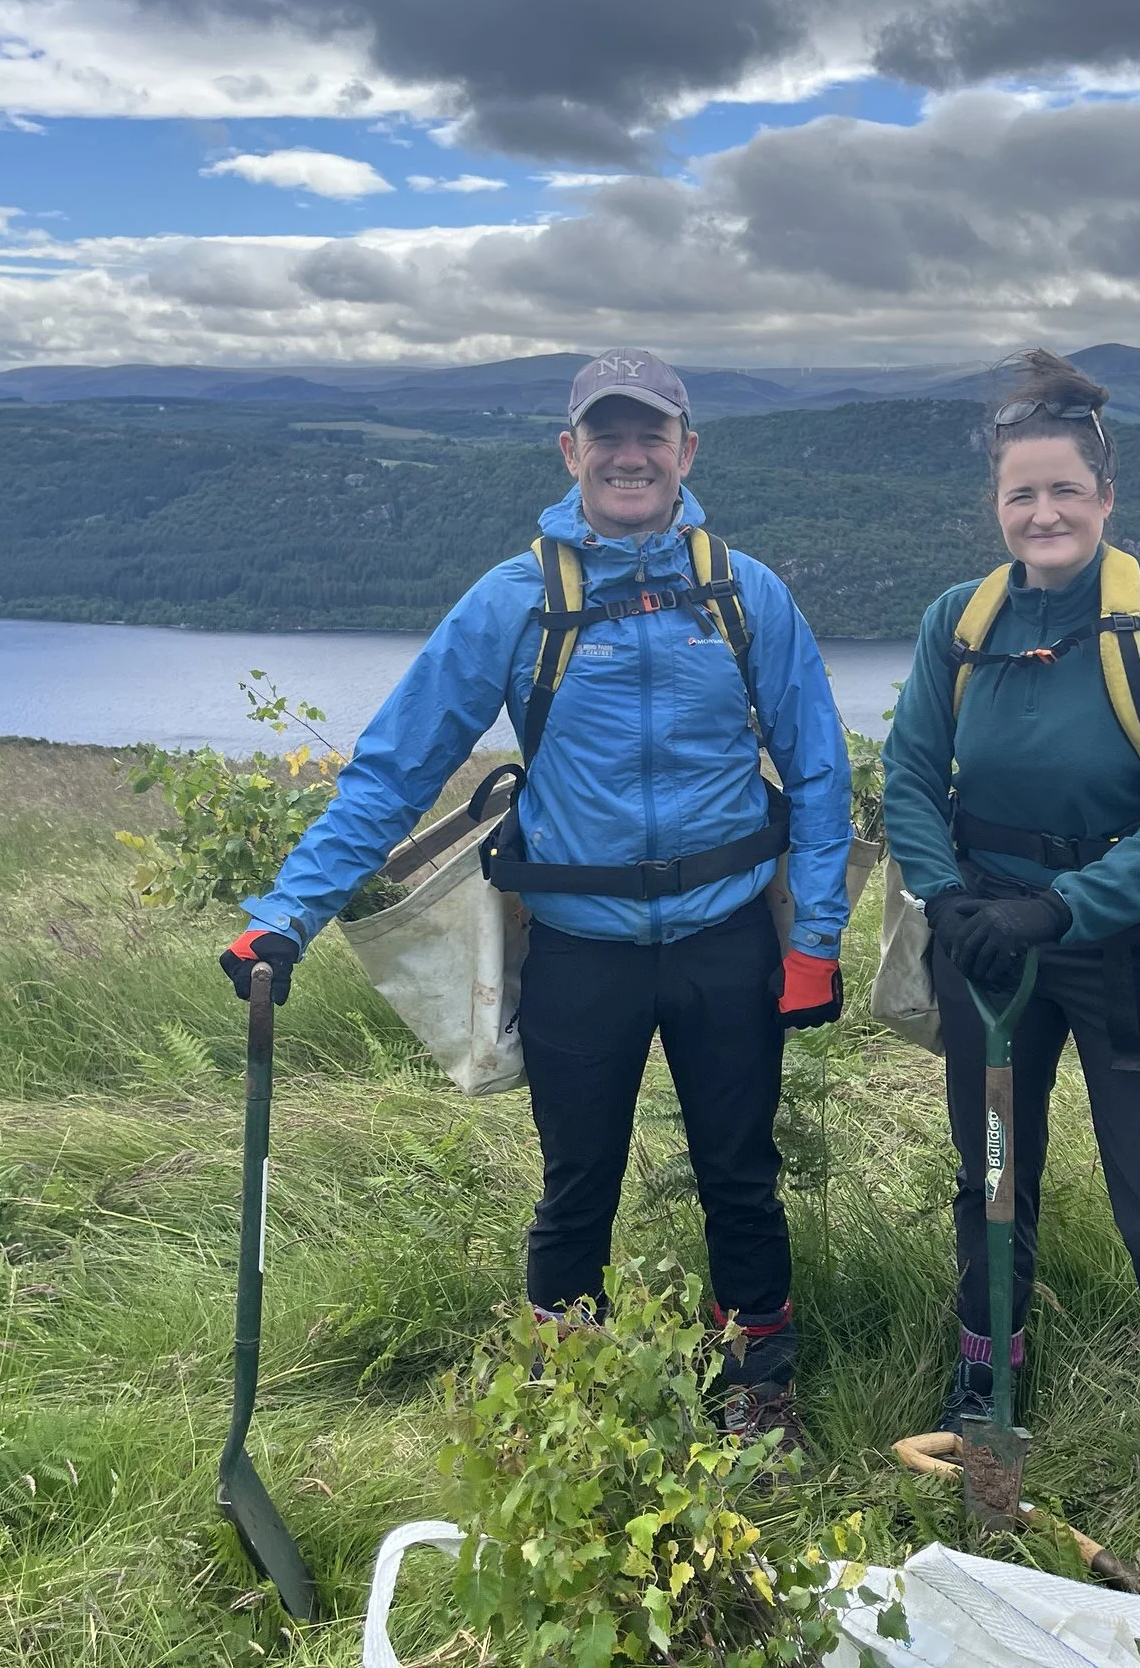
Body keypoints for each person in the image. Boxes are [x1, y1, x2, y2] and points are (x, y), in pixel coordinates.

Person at [220, 348, 853, 1441]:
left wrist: (817, 941)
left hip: (723, 940)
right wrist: (289, 914)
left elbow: (820, 767)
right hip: (580, 946)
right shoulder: (514, 603)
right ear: (570, 453)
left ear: (686, 451)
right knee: (577, 1183)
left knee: (740, 1176)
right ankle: (572, 1392)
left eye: (650, 434)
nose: (628, 455)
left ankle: (758, 1385)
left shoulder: (743, 595)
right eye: (605, 436)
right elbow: (396, 768)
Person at [881, 349, 1140, 1430]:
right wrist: (947, 903)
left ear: (1104, 498)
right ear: (996, 505)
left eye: (1064, 492)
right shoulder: (961, 622)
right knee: (990, 1174)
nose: (1044, 513)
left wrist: (1063, 908)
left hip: (1116, 942)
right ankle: (989, 1374)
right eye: (1020, 494)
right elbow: (908, 772)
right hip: (983, 939)